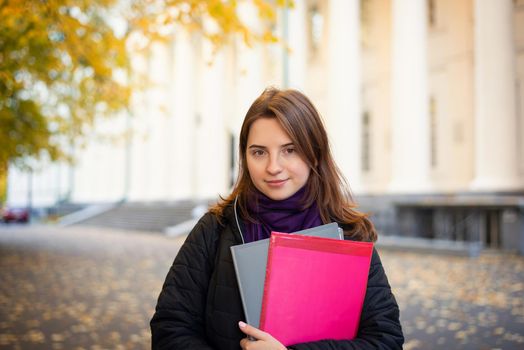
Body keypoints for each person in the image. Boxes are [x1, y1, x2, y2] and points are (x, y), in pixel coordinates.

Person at [151, 88, 404, 349]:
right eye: (259, 152)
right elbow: (171, 328)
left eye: (290, 150)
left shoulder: (349, 234)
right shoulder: (215, 229)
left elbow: (385, 341)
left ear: (314, 153)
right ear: (245, 157)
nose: (273, 167)